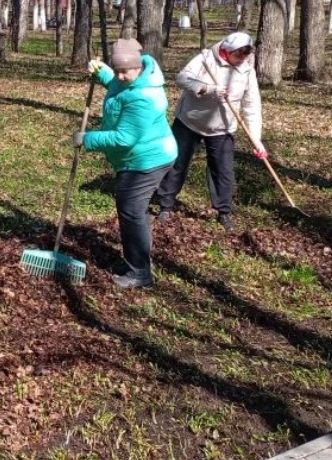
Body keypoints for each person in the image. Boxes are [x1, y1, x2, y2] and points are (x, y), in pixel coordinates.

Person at [75, 38, 177, 289]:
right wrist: (103, 72)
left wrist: (88, 138)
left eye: (125, 71)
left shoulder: (145, 96)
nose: (120, 76)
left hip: (147, 160)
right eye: (117, 69)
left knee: (132, 212)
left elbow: (124, 137)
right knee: (131, 210)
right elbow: (117, 84)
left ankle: (140, 271)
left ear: (139, 68)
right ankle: (135, 261)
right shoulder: (131, 82)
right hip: (139, 157)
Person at [154, 32, 265, 231]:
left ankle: (224, 211)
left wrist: (256, 140)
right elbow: (182, 78)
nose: (241, 61)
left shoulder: (247, 71)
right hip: (190, 121)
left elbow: (252, 106)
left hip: (223, 127)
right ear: (227, 51)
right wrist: (208, 88)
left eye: (245, 57)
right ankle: (165, 204)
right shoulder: (205, 58)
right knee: (177, 163)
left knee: (223, 171)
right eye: (238, 56)